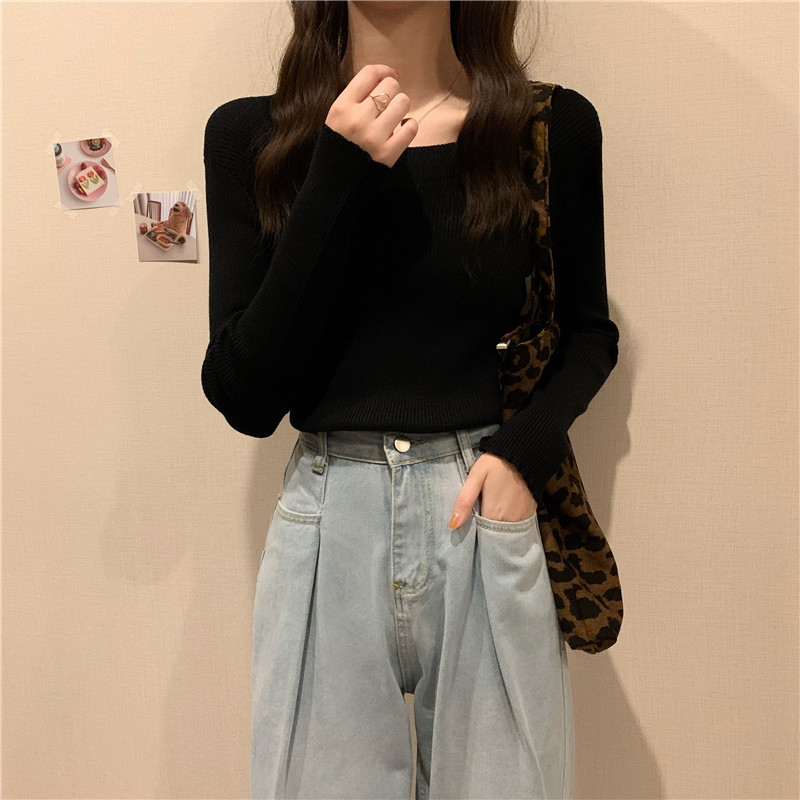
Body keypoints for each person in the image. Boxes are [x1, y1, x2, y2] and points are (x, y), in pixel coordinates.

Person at [201, 2, 619, 798]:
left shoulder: (544, 129)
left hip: (482, 504)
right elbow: (245, 395)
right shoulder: (254, 137)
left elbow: (587, 334)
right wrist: (337, 167)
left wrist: (519, 457)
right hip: (329, 515)